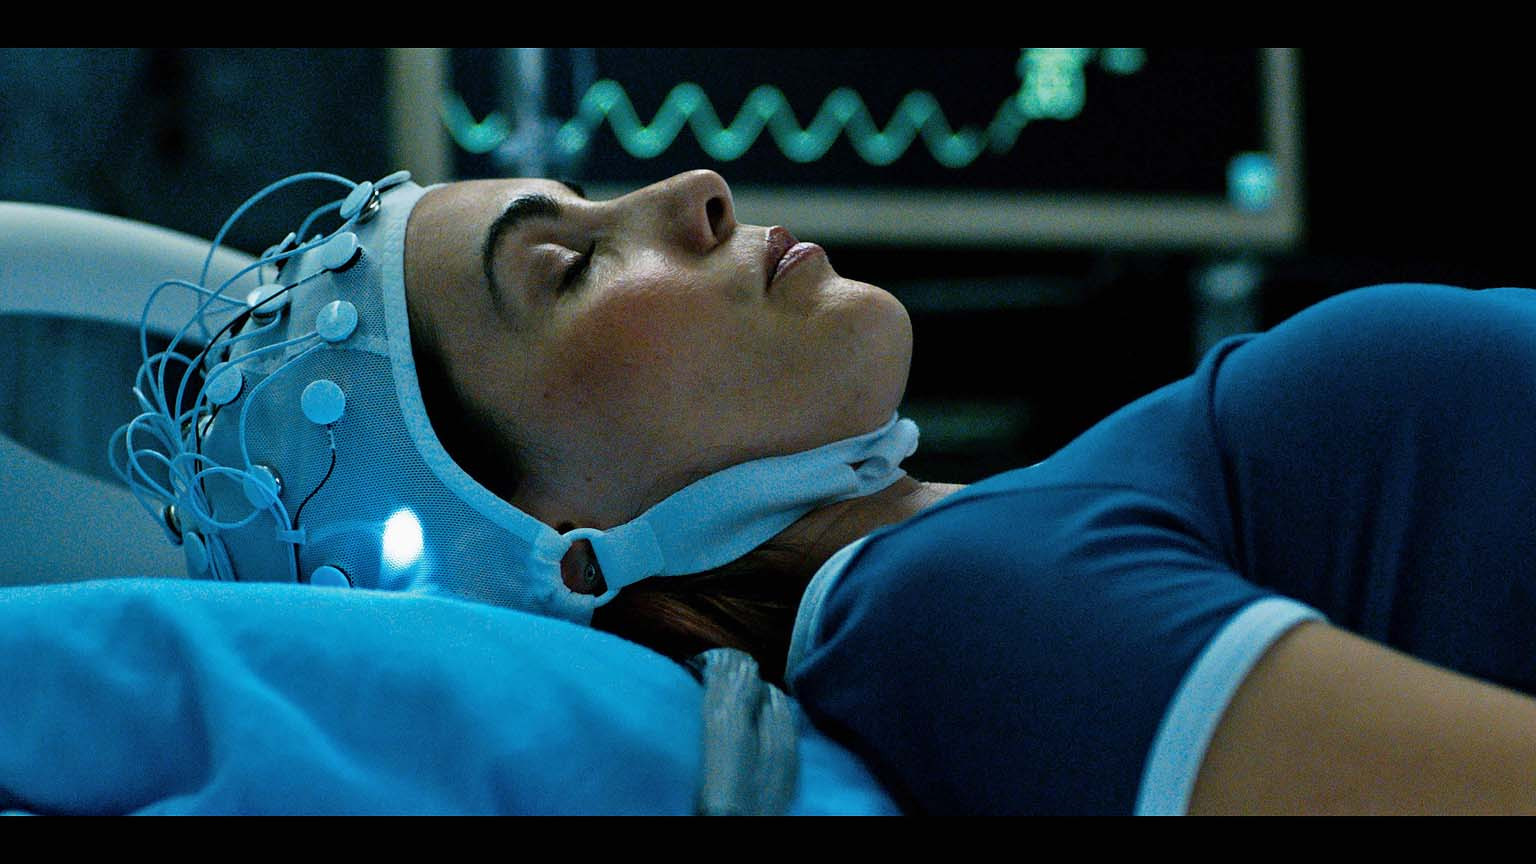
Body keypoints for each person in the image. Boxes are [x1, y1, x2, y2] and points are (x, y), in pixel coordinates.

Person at [121, 169, 1536, 814]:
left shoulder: (983, 555)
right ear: (557, 551)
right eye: (571, 268)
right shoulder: (955, 619)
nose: (697, 191)